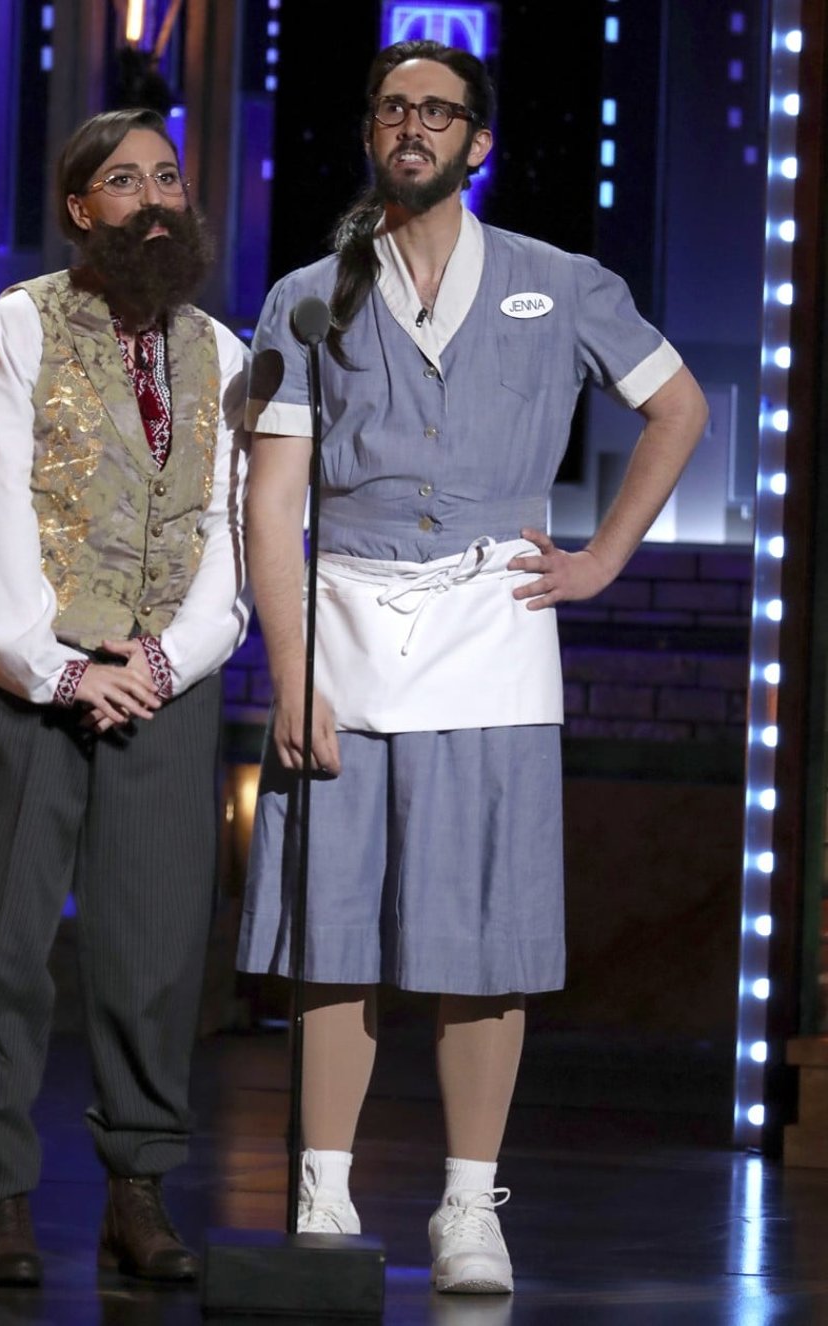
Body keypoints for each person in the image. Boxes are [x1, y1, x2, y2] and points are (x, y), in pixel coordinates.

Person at [237, 40, 707, 1295]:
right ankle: (322, 1194)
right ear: (370, 129)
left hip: (492, 625)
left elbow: (679, 409)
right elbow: (268, 500)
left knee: (481, 935)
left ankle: (466, 1208)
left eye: (438, 111)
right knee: (335, 928)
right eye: (392, 106)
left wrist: (604, 558)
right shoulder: (306, 297)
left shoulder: (561, 285)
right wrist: (287, 674)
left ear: (477, 142)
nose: (413, 125)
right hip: (344, 619)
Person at [0, 107, 249, 1287]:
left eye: (168, 176)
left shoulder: (223, 347)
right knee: (1, 945)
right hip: (19, 676)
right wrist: (61, 667)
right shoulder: (18, 326)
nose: (155, 198)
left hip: (164, 680)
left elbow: (228, 532)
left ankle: (137, 1191)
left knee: (155, 945)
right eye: (126, 181)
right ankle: (0, 1197)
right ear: (81, 210)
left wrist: (165, 661)